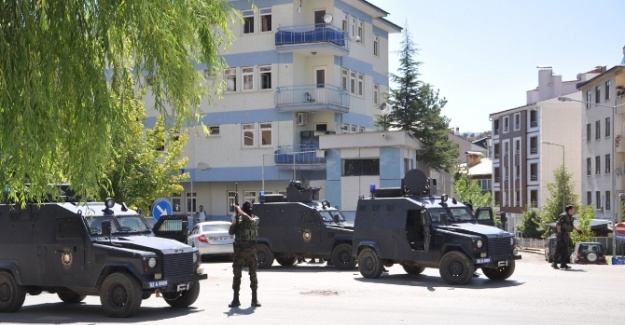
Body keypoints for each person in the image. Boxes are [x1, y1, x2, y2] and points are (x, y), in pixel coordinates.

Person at [228, 201, 261, 308]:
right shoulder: (240, 219)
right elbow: (231, 232)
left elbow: (251, 221)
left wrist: (240, 212)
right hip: (241, 251)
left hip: (249, 251)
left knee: (253, 275)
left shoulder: (255, 218)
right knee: (237, 276)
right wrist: (235, 218)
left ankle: (254, 299)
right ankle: (236, 299)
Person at [552, 205, 575, 270]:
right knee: (558, 249)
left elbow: (571, 226)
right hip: (561, 235)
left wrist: (578, 230)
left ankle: (563, 264)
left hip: (566, 235)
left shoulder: (570, 217)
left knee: (565, 250)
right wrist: (559, 234)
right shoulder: (564, 216)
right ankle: (554, 263)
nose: (574, 211)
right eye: (573, 209)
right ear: (569, 210)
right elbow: (559, 225)